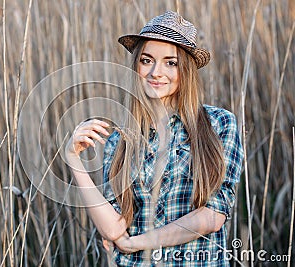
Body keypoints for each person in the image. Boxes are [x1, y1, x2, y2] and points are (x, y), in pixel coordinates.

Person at [65, 10, 244, 266]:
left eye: (170, 62)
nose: (155, 72)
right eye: (147, 60)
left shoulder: (219, 124)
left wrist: (136, 243)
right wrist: (73, 159)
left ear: (186, 70)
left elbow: (213, 216)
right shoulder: (121, 140)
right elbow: (114, 229)